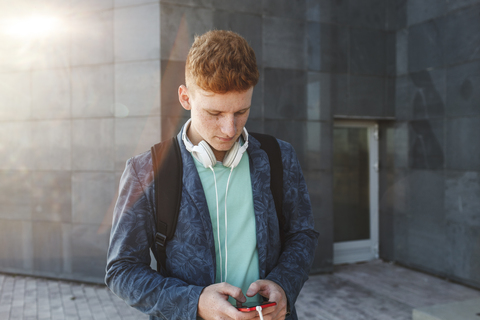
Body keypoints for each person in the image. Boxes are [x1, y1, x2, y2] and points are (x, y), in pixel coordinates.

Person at [105, 30, 319, 320]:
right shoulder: (146, 172)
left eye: (241, 111)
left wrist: (285, 284)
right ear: (185, 97)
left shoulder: (279, 157)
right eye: (215, 113)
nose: (230, 129)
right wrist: (195, 302)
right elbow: (122, 271)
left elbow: (302, 234)